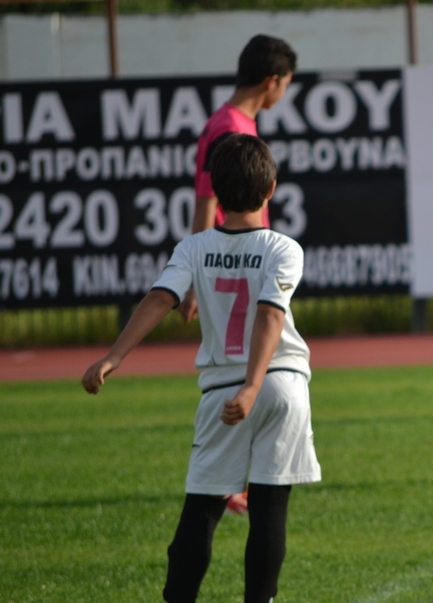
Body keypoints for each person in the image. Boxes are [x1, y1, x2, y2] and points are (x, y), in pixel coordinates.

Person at [82, 134, 321, 603]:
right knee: (270, 509)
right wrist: (255, 385)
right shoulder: (284, 247)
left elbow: (160, 299)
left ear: (215, 193)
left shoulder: (193, 247)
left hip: (224, 388)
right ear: (271, 189)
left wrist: (114, 356)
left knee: (203, 508)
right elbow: (271, 314)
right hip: (282, 384)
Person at [177, 34, 297, 516]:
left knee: (249, 370)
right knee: (249, 371)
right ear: (272, 80)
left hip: (245, 259)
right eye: (285, 84)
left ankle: (232, 480)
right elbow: (207, 200)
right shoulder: (231, 127)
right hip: (243, 261)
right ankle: (231, 481)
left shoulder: (231, 122)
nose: (283, 93)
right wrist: (195, 276)